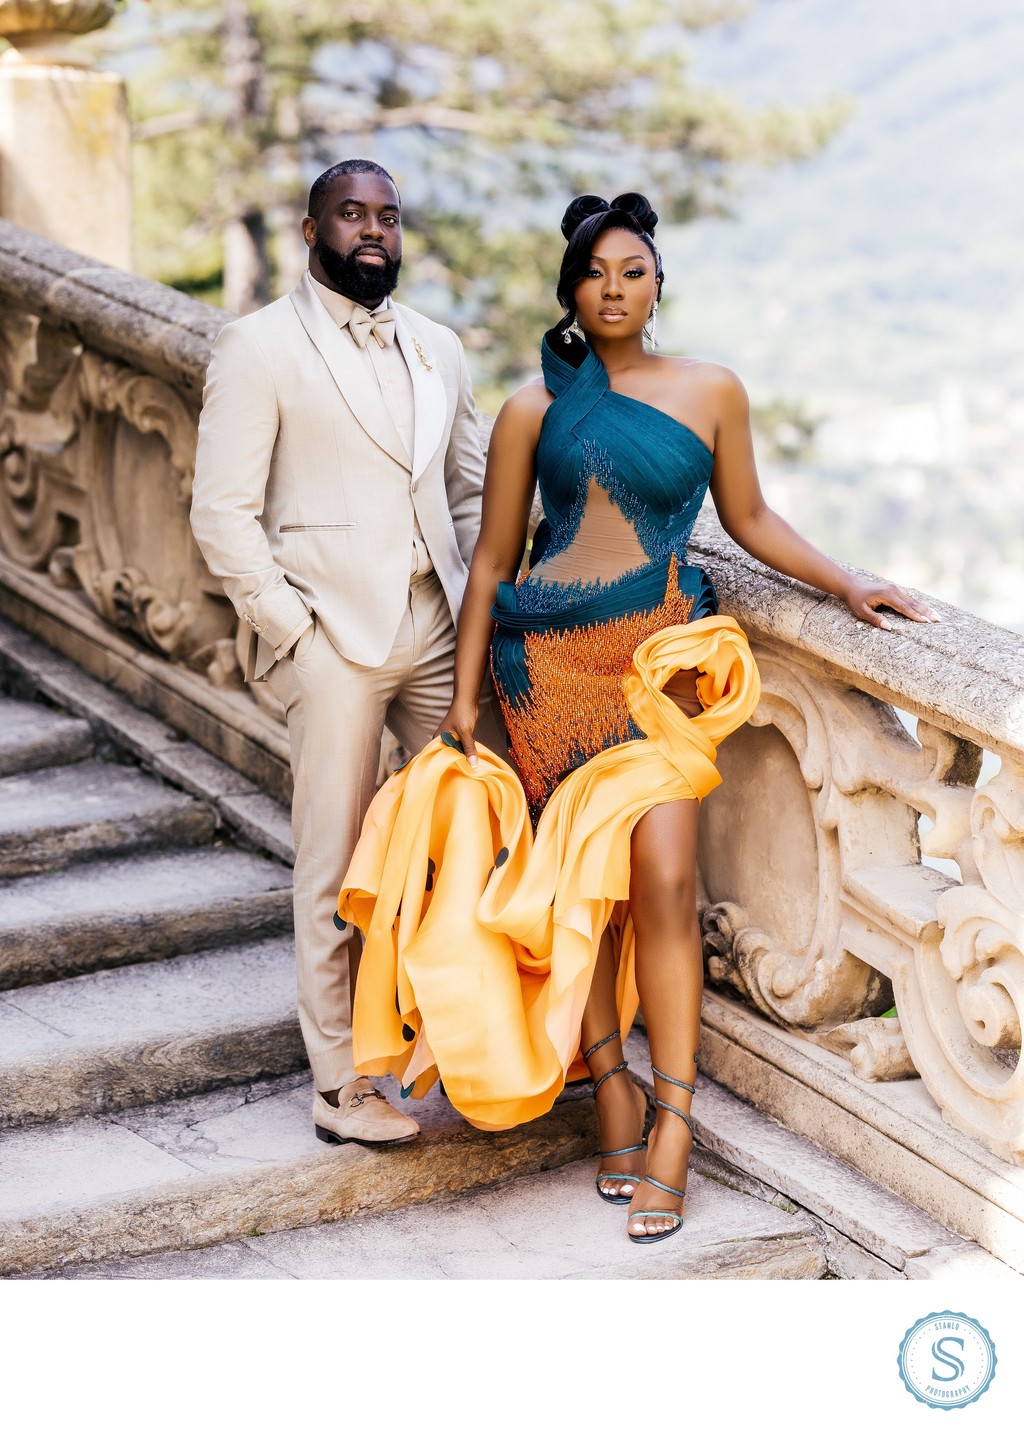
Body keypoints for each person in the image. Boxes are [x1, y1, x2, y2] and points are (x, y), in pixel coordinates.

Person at [339, 191, 938, 1242]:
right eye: (594, 275)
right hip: (544, 669)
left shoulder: (713, 390)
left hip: (654, 669)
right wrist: (469, 698)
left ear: (658, 284)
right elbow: (489, 561)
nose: (614, 290)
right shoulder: (534, 406)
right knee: (589, 892)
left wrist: (846, 583)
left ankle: (671, 1118)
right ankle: (608, 1081)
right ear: (570, 291)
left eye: (633, 272)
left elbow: (747, 519)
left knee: (663, 882)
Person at [190, 158, 501, 1148]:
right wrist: (296, 634)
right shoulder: (258, 346)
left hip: (437, 627)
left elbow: (467, 489)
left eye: (387, 216)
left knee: (484, 829)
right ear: (311, 228)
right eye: (351, 214)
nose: (373, 230)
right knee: (333, 864)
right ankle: (341, 1085)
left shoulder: (437, 348)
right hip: (332, 637)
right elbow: (221, 516)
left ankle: (472, 1044)